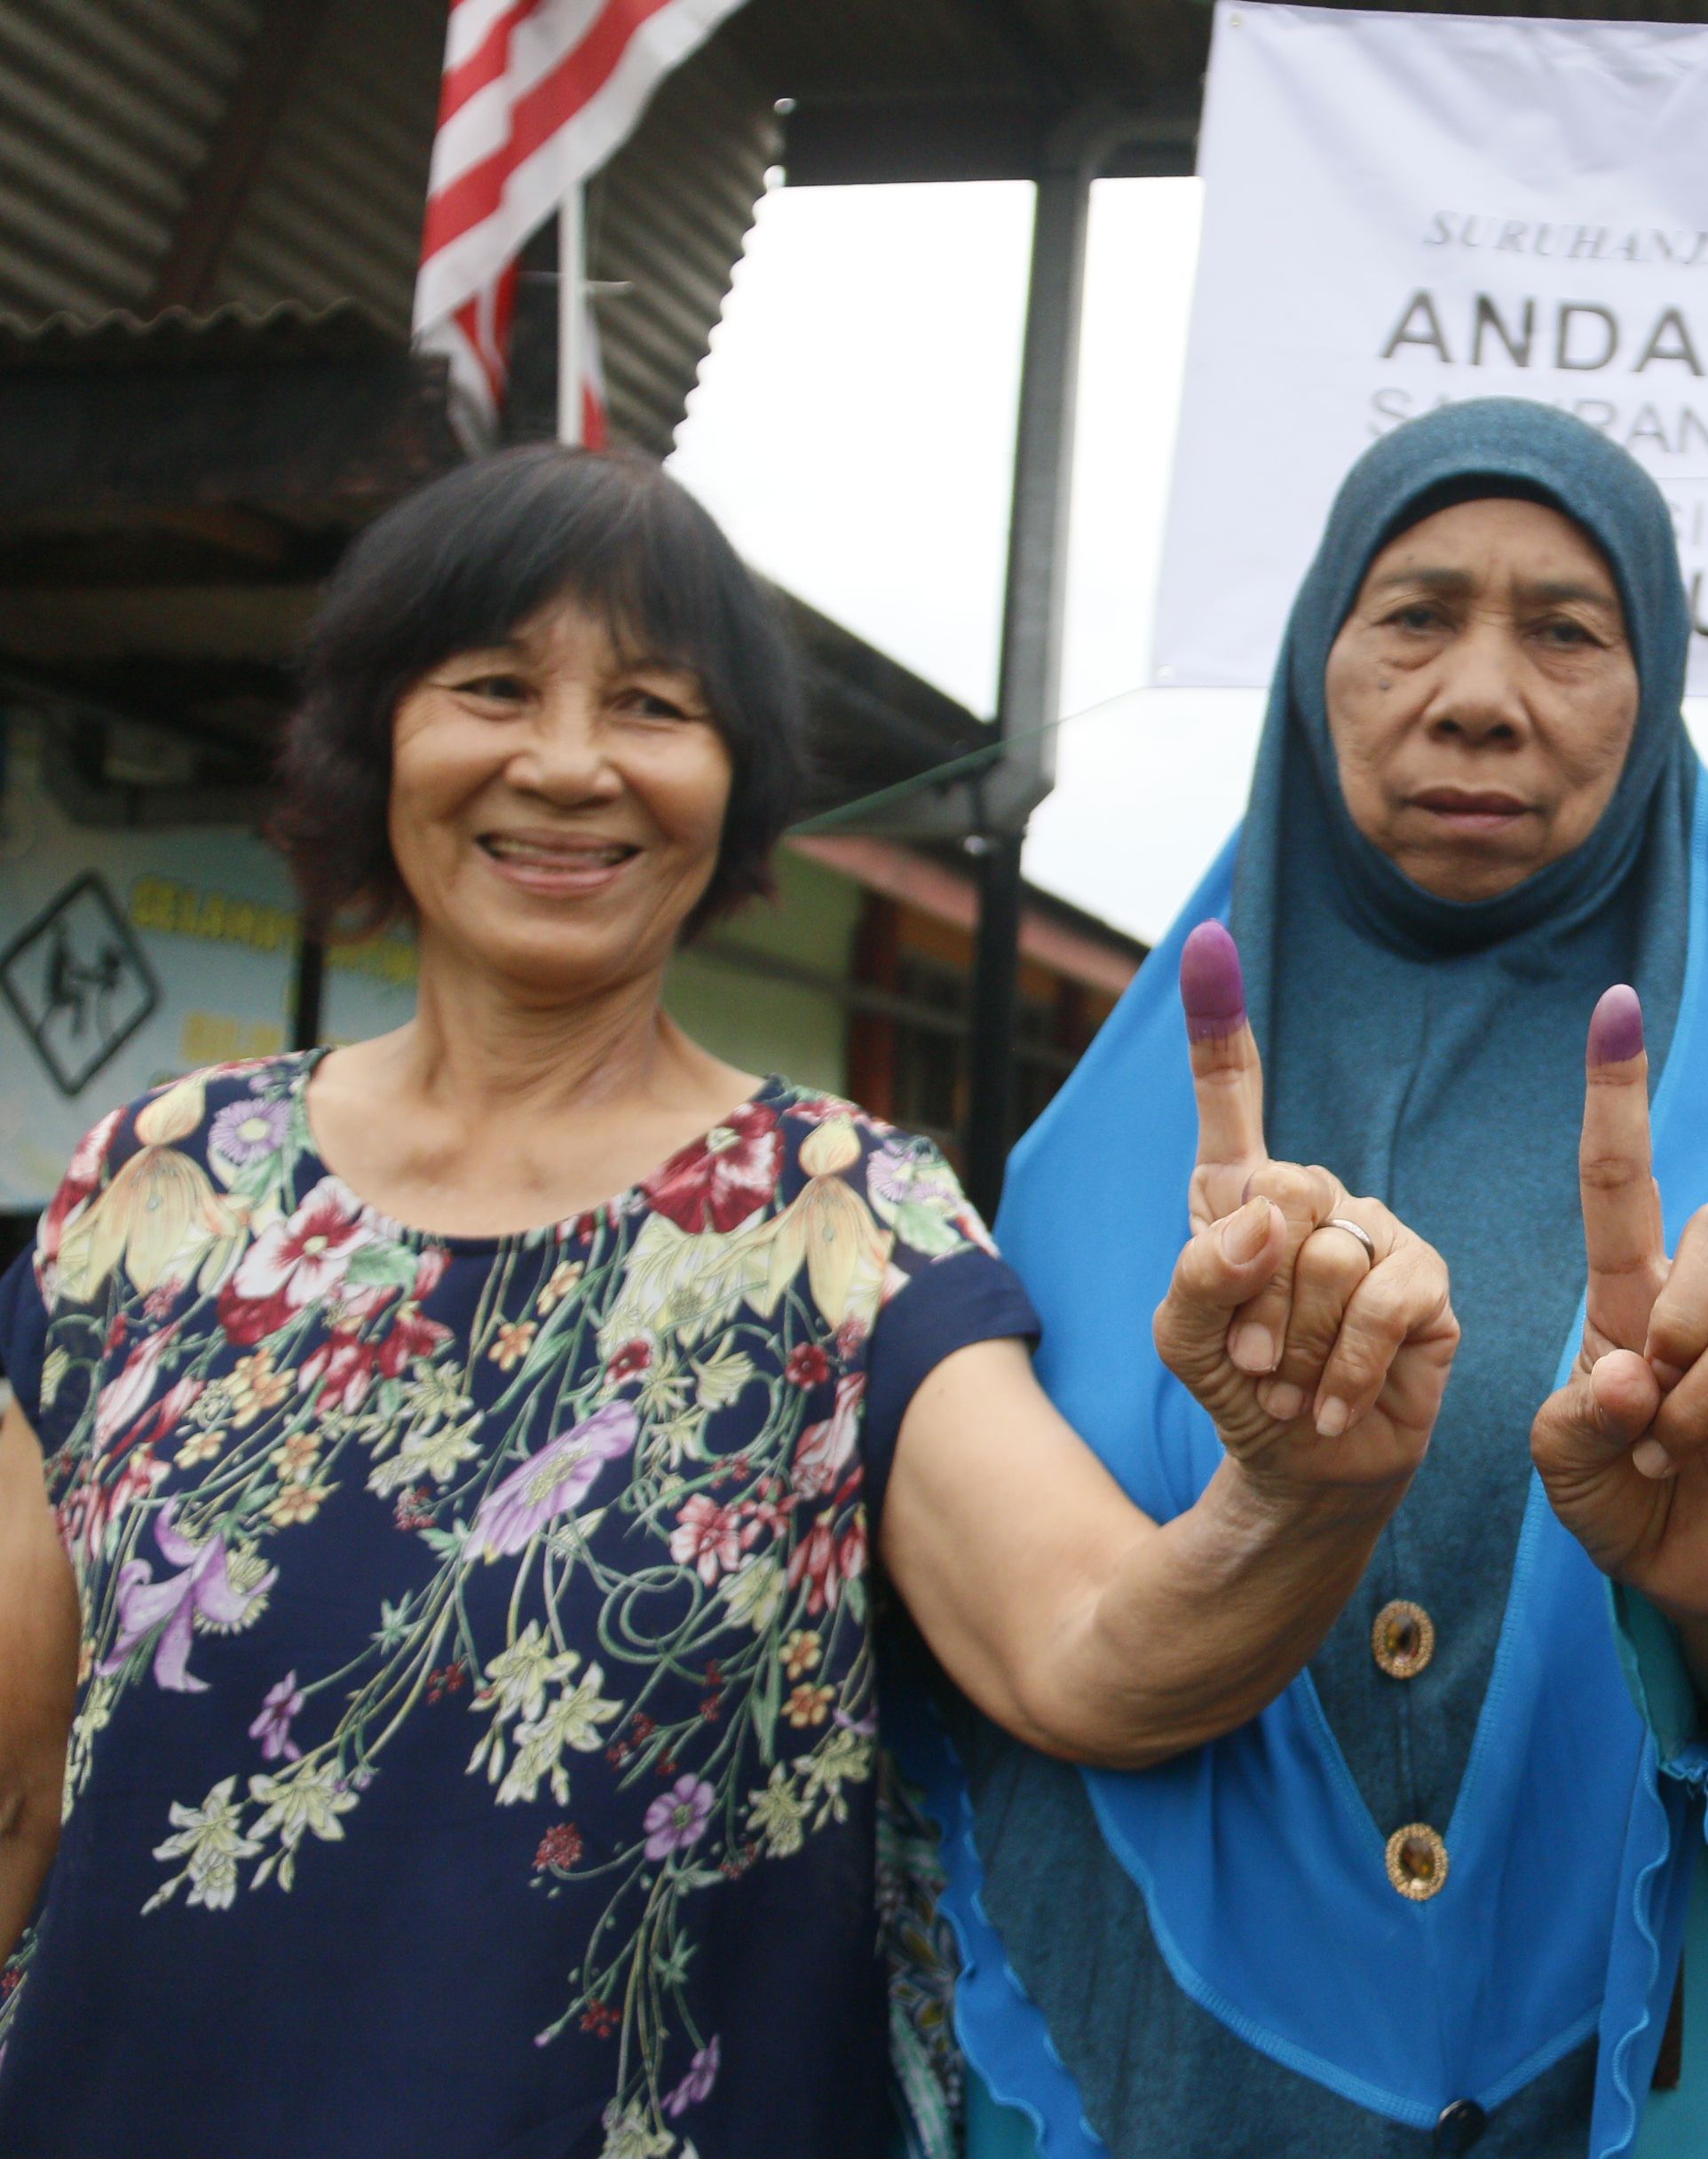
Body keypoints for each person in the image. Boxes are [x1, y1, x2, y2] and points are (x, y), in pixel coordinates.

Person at [0, 447, 1462, 2158]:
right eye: (490, 688)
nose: (564, 762)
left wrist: (1303, 1491)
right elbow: (20, 1778)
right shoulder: (156, 1183)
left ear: (734, 784)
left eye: (651, 704)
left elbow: (1091, 1657)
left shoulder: (840, 1220)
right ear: (375, 736)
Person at [913, 398, 1708, 2159]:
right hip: (1171, 2084)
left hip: (1704, 2066)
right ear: (1319, 661)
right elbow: (1010, 1614)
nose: (1479, 694)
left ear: (1655, 679)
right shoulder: (1101, 1151)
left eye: (1568, 631)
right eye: (1417, 614)